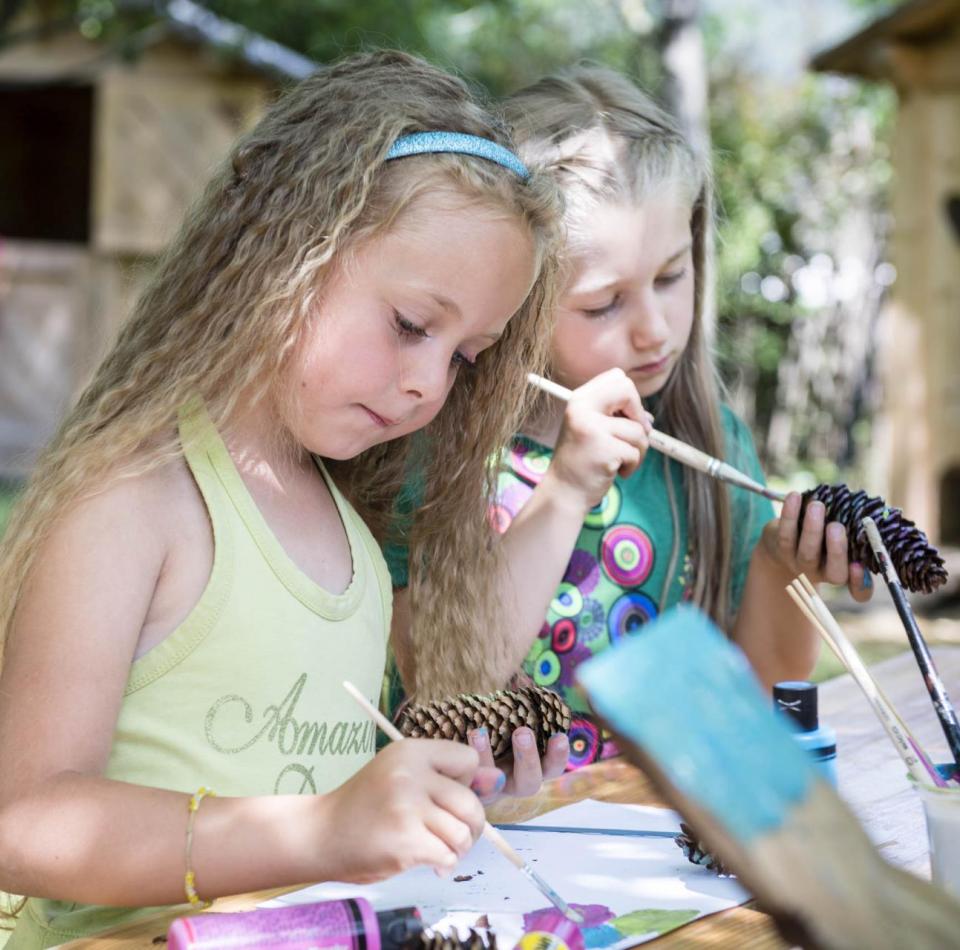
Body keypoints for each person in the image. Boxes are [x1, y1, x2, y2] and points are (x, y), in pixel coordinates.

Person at [0, 50, 569, 948]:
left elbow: (322, 813)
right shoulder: (134, 500)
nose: (430, 385)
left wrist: (434, 798)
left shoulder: (350, 536)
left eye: (464, 357)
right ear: (283, 249)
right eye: (412, 325)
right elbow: (22, 825)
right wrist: (323, 831)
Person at [471, 65, 874, 768]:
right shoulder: (447, 454)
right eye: (604, 304)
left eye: (671, 276)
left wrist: (782, 561)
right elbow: (456, 677)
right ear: (516, 296)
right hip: (489, 852)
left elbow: (762, 693)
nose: (654, 330)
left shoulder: (711, 437)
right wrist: (567, 488)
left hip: (659, 842)